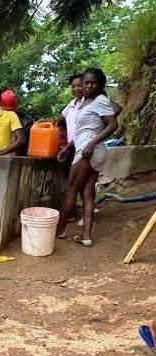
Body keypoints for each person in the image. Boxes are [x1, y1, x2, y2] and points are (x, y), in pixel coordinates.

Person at [56, 67, 119, 246]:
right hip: (86, 149)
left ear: (100, 85)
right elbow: (81, 131)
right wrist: (67, 147)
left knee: (71, 190)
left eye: (94, 83)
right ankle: (86, 236)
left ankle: (59, 230)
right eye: (86, 83)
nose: (89, 86)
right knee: (88, 193)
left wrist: (91, 144)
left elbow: (113, 124)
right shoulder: (84, 101)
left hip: (89, 150)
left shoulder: (100, 100)